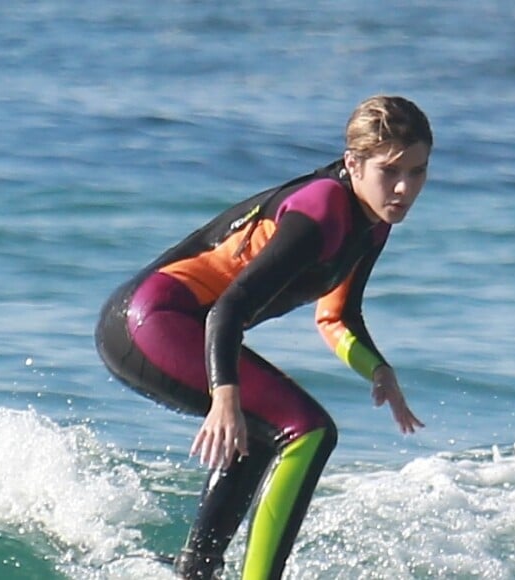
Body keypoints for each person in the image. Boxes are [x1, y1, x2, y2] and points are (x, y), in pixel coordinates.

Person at [95, 94, 432, 580]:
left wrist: (377, 369)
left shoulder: (373, 222)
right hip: (152, 320)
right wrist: (224, 396)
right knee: (307, 430)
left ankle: (195, 570)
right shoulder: (323, 209)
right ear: (354, 164)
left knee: (265, 430)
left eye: (418, 172)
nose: (404, 188)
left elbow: (336, 317)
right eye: (390, 171)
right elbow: (229, 308)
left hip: (184, 327)